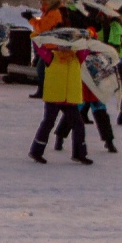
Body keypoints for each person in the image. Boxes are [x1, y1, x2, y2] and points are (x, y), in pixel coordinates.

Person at [29, 31, 92, 165]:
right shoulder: (51, 56)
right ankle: (36, 151)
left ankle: (80, 154)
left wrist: (86, 37)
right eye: (63, 45)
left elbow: (87, 47)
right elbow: (39, 47)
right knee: (48, 123)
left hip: (69, 99)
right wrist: (38, 35)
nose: (65, 48)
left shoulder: (77, 57)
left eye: (68, 45)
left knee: (78, 125)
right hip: (54, 97)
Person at [23, 0, 63, 98]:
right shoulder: (50, 11)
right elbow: (43, 24)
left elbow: (43, 28)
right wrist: (32, 19)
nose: (40, 3)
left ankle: (43, 91)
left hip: (51, 46)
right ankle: (46, 90)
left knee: (41, 69)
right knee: (45, 69)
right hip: (50, 45)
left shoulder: (52, 11)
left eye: (41, 0)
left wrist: (30, 19)